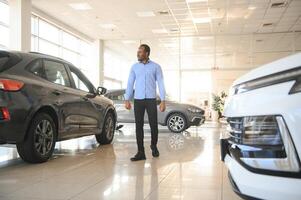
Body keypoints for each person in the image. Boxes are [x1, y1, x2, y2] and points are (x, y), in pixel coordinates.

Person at [124, 44, 166, 161]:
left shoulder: (156, 67)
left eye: (140, 51)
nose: (138, 53)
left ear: (147, 53)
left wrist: (163, 100)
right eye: (138, 51)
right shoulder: (134, 67)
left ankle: (153, 145)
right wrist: (127, 99)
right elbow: (130, 83)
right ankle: (140, 152)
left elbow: (161, 83)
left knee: (153, 125)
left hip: (151, 100)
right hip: (138, 100)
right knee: (139, 126)